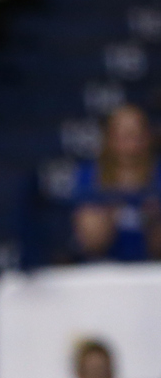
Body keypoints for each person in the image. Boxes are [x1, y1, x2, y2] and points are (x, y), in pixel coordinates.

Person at [70, 104, 161, 263]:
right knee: (90, 219)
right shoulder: (89, 175)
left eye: (135, 134)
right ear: (109, 137)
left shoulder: (158, 173)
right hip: (103, 266)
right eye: (122, 134)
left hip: (153, 265)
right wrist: (112, 208)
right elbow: (89, 237)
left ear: (147, 136)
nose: (130, 142)